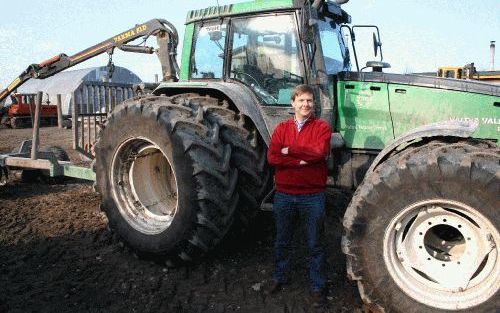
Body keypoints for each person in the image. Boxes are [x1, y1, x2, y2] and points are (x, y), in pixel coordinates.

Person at [266, 84, 331, 307]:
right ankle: (279, 276)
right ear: (293, 103)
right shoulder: (281, 128)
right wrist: (301, 158)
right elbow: (273, 157)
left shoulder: (321, 128)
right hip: (284, 194)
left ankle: (317, 285)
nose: (305, 105)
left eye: (309, 101)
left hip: (312, 195)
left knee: (315, 244)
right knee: (282, 241)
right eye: (301, 100)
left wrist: (289, 150)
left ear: (314, 104)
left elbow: (319, 152)